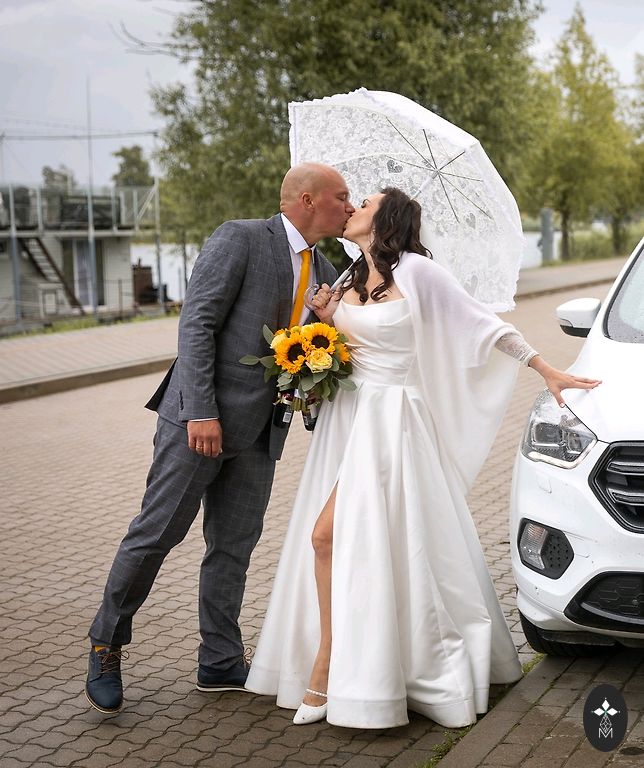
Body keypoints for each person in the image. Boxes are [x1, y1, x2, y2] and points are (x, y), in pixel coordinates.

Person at [245, 187, 601, 729]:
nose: (353, 208)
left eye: (364, 203)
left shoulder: (417, 271)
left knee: (330, 537)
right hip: (349, 421)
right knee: (354, 542)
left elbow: (484, 325)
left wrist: (544, 368)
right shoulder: (349, 276)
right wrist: (324, 322)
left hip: (393, 424)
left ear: (385, 219)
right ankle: (347, 662)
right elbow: (345, 347)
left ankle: (331, 666)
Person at [85, 163, 354, 714]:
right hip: (199, 423)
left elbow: (310, 353)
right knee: (156, 533)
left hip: (261, 433)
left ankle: (220, 659)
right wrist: (201, 412)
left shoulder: (327, 271)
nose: (349, 207)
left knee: (234, 547)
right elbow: (197, 323)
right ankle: (105, 644)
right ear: (307, 200)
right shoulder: (241, 239)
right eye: (341, 197)